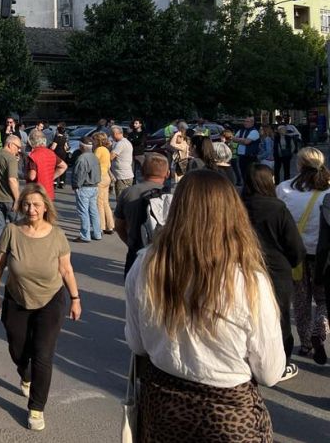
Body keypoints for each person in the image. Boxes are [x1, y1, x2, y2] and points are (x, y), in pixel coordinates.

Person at [124, 170, 284, 441]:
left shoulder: (146, 265)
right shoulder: (248, 280)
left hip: (163, 405)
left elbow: (137, 345)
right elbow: (269, 371)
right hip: (228, 413)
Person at [0, 183, 81, 432]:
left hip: (51, 300)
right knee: (18, 349)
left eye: (36, 205)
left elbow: (66, 269)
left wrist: (75, 298)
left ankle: (36, 408)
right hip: (16, 299)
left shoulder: (57, 235)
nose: (31, 209)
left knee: (43, 354)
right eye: (27, 204)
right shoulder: (11, 230)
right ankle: (25, 373)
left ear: (45, 207)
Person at [243, 163, 307, 381]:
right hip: (276, 268)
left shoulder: (238, 206)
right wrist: (294, 262)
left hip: (246, 266)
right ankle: (280, 362)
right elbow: (295, 245)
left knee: (248, 313)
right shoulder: (277, 207)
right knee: (279, 316)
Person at [276, 147, 330, 364]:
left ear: (299, 164)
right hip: (323, 255)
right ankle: (321, 326)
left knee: (300, 299)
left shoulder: (284, 189)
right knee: (324, 297)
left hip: (295, 253)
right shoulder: (327, 192)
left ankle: (306, 344)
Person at [114, 154, 170, 275]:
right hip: (163, 255)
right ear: (167, 173)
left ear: (142, 171)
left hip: (136, 252)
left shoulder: (128, 193)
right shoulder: (171, 196)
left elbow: (118, 226)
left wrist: (129, 241)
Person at [0, 135, 22, 256]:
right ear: (10, 144)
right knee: (19, 228)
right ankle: (19, 256)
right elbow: (12, 180)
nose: (18, 150)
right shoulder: (11, 159)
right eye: (17, 147)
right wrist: (18, 199)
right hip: (9, 199)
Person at [71, 138, 102, 243]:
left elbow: (79, 175)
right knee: (93, 210)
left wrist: (75, 185)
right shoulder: (94, 157)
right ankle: (97, 233)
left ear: (82, 146)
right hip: (94, 186)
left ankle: (85, 235)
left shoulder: (82, 158)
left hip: (84, 187)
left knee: (83, 212)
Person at [25, 129, 66, 202]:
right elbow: (63, 166)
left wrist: (23, 174)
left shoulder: (33, 156)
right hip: (49, 192)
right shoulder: (51, 153)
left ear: (31, 141)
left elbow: (32, 176)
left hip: (36, 192)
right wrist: (51, 177)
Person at [91, 132, 114, 235]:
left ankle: (101, 226)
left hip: (100, 177)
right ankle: (110, 226)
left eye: (94, 140)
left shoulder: (99, 150)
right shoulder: (106, 150)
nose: (92, 141)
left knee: (99, 203)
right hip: (106, 177)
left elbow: (93, 163)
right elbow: (108, 164)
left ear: (98, 140)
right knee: (105, 202)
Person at [233, 116, 260, 185]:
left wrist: (240, 139)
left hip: (250, 157)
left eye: (247, 121)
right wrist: (243, 139)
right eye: (244, 121)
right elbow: (233, 139)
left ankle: (249, 191)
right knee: (243, 174)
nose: (245, 123)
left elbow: (247, 142)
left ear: (252, 123)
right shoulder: (241, 130)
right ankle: (246, 189)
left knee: (249, 175)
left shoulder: (254, 131)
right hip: (242, 156)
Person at [109, 126, 134, 199]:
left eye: (111, 134)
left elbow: (111, 157)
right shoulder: (125, 142)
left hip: (122, 176)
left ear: (115, 134)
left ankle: (122, 211)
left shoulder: (121, 144)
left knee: (121, 199)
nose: (111, 136)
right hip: (125, 175)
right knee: (125, 199)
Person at [49, 123, 69, 190]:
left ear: (58, 130)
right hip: (63, 153)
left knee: (55, 167)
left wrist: (49, 147)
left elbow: (53, 147)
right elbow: (66, 147)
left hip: (57, 153)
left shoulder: (56, 138)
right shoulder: (64, 138)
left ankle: (54, 182)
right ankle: (62, 182)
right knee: (62, 166)